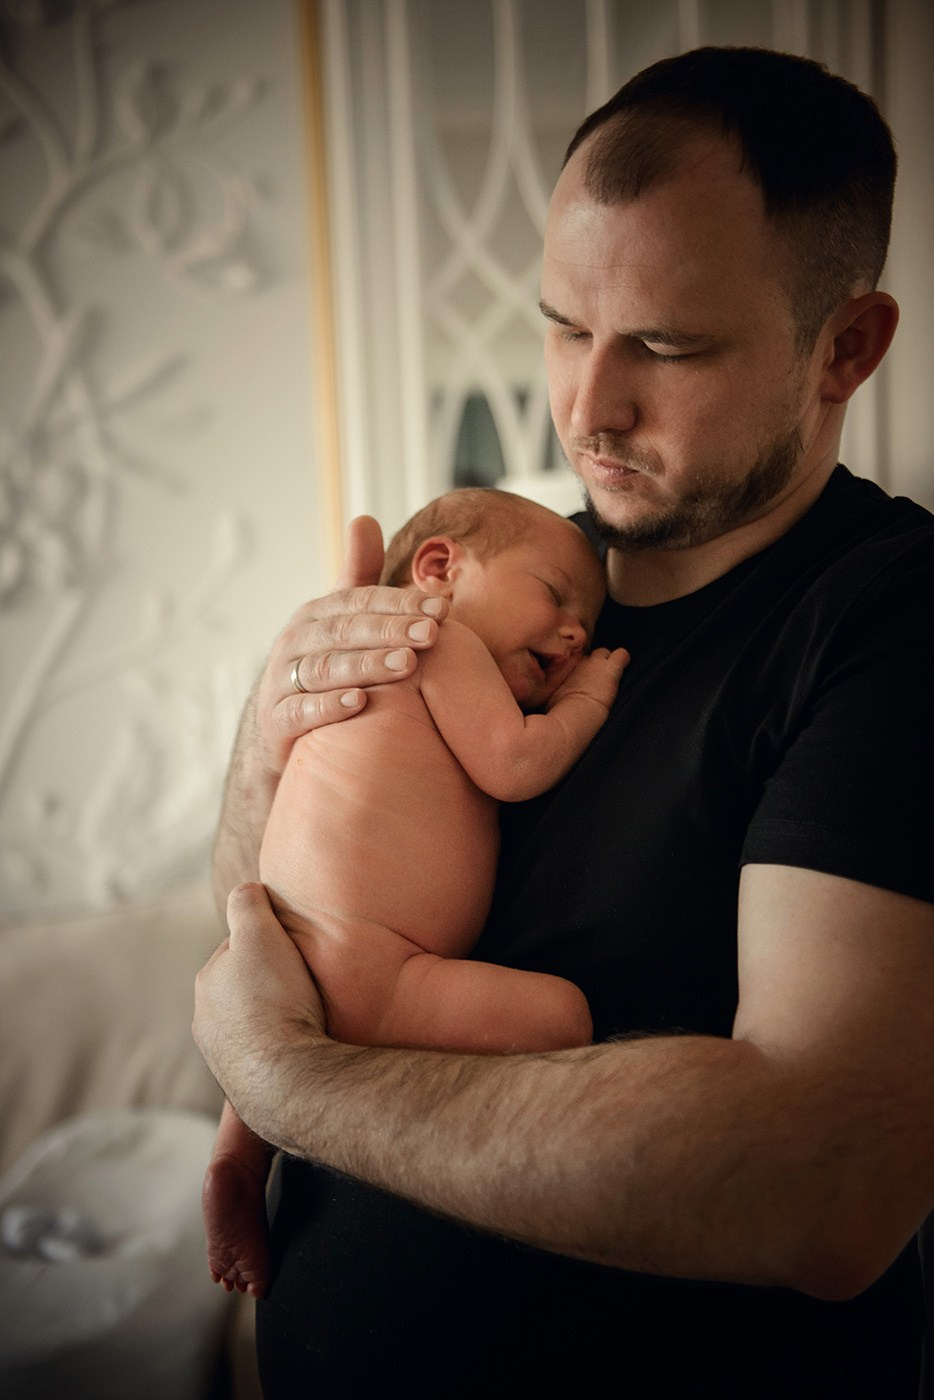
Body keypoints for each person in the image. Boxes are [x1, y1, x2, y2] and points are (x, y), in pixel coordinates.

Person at [193, 46, 934, 1398]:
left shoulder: (890, 624)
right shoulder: (511, 580)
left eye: (663, 343)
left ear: (845, 348)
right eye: (561, 324)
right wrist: (275, 727)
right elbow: (262, 919)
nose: (586, 409)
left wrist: (286, 1085)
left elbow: (826, 1181)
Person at [201, 488, 626, 1297]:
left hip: (282, 949)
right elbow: (516, 763)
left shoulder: (357, 654)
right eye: (555, 596)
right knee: (565, 1018)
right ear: (439, 568)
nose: (576, 633)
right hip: (381, 967)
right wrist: (585, 700)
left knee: (261, 1062)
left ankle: (232, 1162)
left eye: (590, 629)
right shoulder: (433, 636)